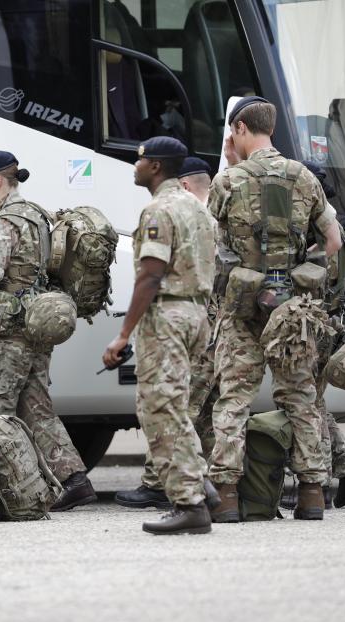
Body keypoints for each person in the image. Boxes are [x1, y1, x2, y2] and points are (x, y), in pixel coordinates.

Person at [206, 97, 343, 523]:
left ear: (241, 128)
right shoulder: (304, 177)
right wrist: (308, 276)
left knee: (234, 397)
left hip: (242, 307)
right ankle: (312, 494)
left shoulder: (228, 181)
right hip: (294, 312)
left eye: (232, 132)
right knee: (300, 396)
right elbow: (334, 239)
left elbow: (210, 242)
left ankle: (227, 495)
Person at [0, 151, 96, 512]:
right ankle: (73, 479)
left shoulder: (5, 223)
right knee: (36, 407)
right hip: (36, 328)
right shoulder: (38, 215)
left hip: (8, 335)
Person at [102, 137, 217, 535]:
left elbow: (150, 274)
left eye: (140, 161)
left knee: (161, 409)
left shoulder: (159, 210)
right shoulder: (197, 208)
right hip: (197, 313)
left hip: (167, 316)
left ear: (155, 167)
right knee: (178, 405)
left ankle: (189, 503)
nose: (135, 167)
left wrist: (123, 334)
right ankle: (200, 482)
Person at [302, 161, 345, 508]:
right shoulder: (335, 227)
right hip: (328, 326)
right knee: (312, 403)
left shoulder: (321, 233)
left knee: (305, 404)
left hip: (315, 327)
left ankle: (324, 482)